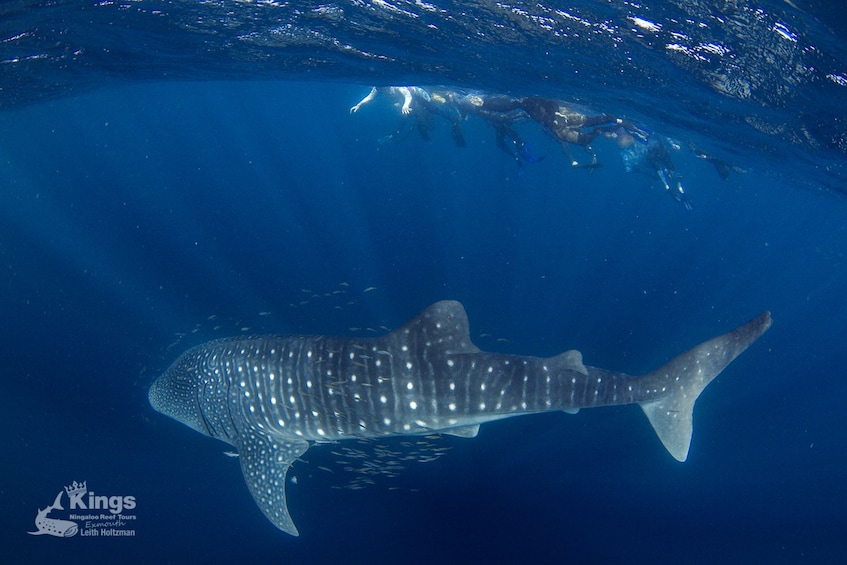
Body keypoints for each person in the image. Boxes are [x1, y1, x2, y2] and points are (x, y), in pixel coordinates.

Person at [350, 86, 466, 146]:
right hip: (407, 99)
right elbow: (370, 97)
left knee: (432, 109)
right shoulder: (378, 88)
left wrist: (405, 105)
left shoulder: (396, 87)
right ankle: (418, 122)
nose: (379, 89)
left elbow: (408, 96)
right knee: (407, 115)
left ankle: (453, 121)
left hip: (418, 94)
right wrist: (359, 105)